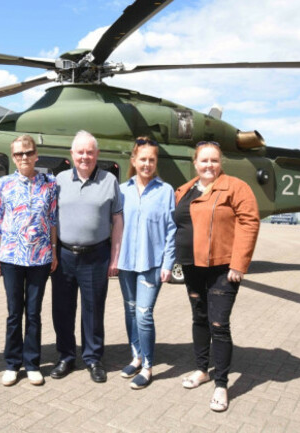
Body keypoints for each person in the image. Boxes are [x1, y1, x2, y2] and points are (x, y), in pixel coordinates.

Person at [174, 141, 259, 411]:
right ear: (195, 163)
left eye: (214, 160)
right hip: (191, 265)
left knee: (219, 324)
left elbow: (249, 222)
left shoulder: (235, 187)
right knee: (199, 318)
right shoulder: (185, 190)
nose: (209, 165)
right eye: (204, 160)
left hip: (223, 268)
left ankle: (221, 384)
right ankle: (202, 370)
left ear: (220, 162)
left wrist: (239, 264)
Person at [50, 130, 123, 383]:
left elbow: (117, 219)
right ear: (72, 154)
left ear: (97, 155)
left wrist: (115, 258)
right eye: (80, 152)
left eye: (90, 152)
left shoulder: (109, 181)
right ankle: (66, 357)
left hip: (96, 256)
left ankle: (93, 358)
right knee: (62, 309)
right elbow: (51, 219)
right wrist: (51, 251)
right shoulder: (58, 179)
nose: (85, 157)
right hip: (64, 255)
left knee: (93, 310)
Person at [0, 135, 58, 387]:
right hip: (11, 257)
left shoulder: (49, 184)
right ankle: (11, 364)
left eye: (28, 152)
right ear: (13, 158)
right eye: (19, 154)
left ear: (36, 154)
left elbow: (52, 220)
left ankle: (32, 364)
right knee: (14, 313)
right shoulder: (4, 184)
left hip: (39, 258)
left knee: (34, 313)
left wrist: (53, 250)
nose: (24, 157)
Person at [117, 137, 176, 390]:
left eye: (152, 160)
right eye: (143, 159)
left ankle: (149, 366)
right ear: (133, 160)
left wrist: (168, 263)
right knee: (130, 312)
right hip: (126, 263)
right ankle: (136, 357)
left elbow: (172, 230)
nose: (147, 164)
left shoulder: (166, 191)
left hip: (152, 263)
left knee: (143, 315)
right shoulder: (122, 190)